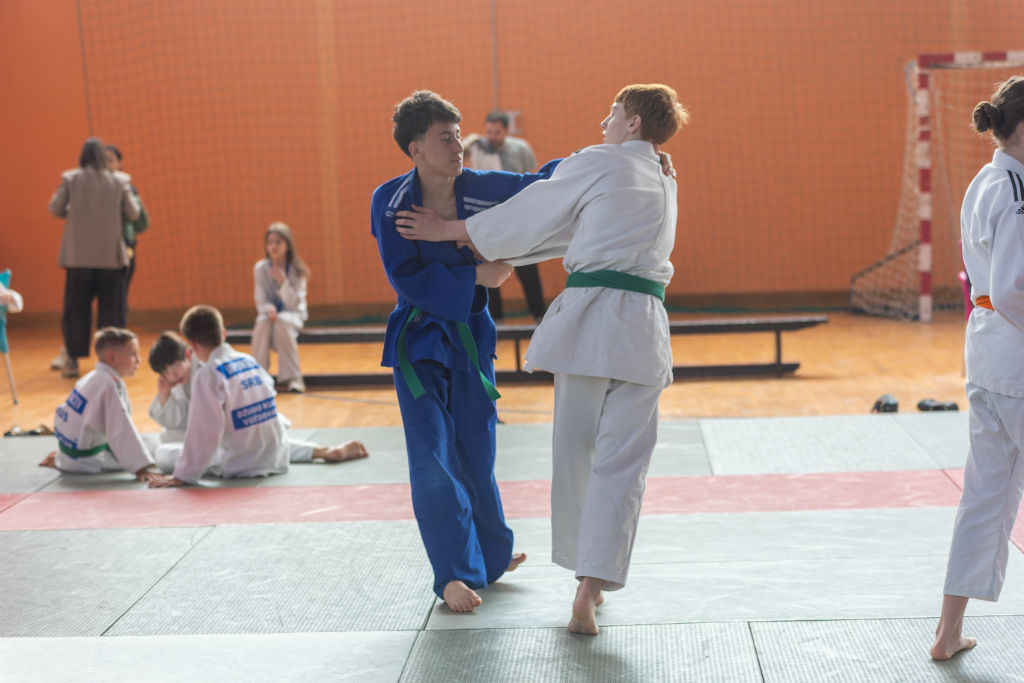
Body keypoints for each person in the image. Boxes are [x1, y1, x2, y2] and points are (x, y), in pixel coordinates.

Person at [396, 84, 688, 634]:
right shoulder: (666, 178)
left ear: (632, 124)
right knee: (625, 464)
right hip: (646, 328)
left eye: (612, 113)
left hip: (592, 322)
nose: (603, 121)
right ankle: (591, 585)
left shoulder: (600, 161)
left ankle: (583, 576)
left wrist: (454, 230)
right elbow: (570, 216)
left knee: (575, 450)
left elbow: (540, 208)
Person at [370, 90, 562, 612]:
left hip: (472, 337)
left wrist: (624, 159)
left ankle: (490, 557)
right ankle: (452, 573)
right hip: (419, 342)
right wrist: (476, 274)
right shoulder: (390, 201)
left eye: (458, 135)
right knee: (432, 455)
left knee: (478, 448)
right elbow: (406, 278)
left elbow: (545, 182)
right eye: (445, 139)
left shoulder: (480, 188)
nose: (459, 146)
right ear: (415, 150)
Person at [930, 75, 1024, 661]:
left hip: (990, 353)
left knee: (984, 495)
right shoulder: (1014, 190)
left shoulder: (986, 179)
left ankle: (947, 632)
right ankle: (945, 632)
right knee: (986, 494)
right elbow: (1014, 288)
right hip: (1016, 355)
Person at [148, 305, 368, 488]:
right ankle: (322, 451)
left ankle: (320, 452)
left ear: (193, 346)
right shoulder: (248, 360)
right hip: (274, 452)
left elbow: (205, 432)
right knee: (256, 438)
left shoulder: (209, 373)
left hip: (240, 463)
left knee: (163, 453)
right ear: (223, 334)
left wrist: (184, 475)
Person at [48, 137, 140, 378]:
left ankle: (72, 361)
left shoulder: (70, 178)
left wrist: (75, 210)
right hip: (111, 258)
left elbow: (55, 208)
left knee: (76, 311)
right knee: (112, 312)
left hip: (78, 259)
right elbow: (133, 213)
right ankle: (111, 362)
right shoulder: (121, 180)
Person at [38, 327, 160, 482]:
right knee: (158, 448)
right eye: (133, 354)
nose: (139, 360)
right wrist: (140, 468)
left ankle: (62, 459)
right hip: (88, 462)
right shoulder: (108, 385)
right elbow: (120, 430)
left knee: (148, 440)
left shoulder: (91, 377)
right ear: (112, 358)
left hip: (68, 456)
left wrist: (62, 456)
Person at [463, 111, 547, 323]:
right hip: (491, 220)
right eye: (489, 132)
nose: (492, 136)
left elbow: (534, 179)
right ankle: (496, 321)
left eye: (497, 132)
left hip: (519, 219)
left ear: (506, 130)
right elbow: (457, 154)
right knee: (490, 270)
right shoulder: (478, 147)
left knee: (528, 270)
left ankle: (539, 317)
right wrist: (468, 141)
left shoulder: (521, 148)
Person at [252, 222, 309, 394]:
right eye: (270, 242)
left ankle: (294, 378)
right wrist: (268, 308)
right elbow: (261, 299)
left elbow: (294, 304)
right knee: (262, 322)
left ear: (288, 245)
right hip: (270, 316)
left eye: (278, 242)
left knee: (282, 322)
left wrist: (283, 282)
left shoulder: (297, 270)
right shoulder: (260, 268)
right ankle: (258, 378)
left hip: (293, 315)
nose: (274, 246)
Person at [105, 145, 149, 312]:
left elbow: (140, 222)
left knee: (120, 291)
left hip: (124, 243)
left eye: (110, 160)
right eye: (102, 160)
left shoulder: (127, 187)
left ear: (119, 163)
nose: (106, 164)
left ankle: (119, 316)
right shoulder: (95, 187)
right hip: (102, 246)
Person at [147, 331, 198, 444]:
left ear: (188, 355)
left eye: (175, 366)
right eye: (165, 371)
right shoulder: (176, 380)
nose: (173, 375)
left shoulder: (204, 372)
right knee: (165, 438)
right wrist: (164, 394)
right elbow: (175, 423)